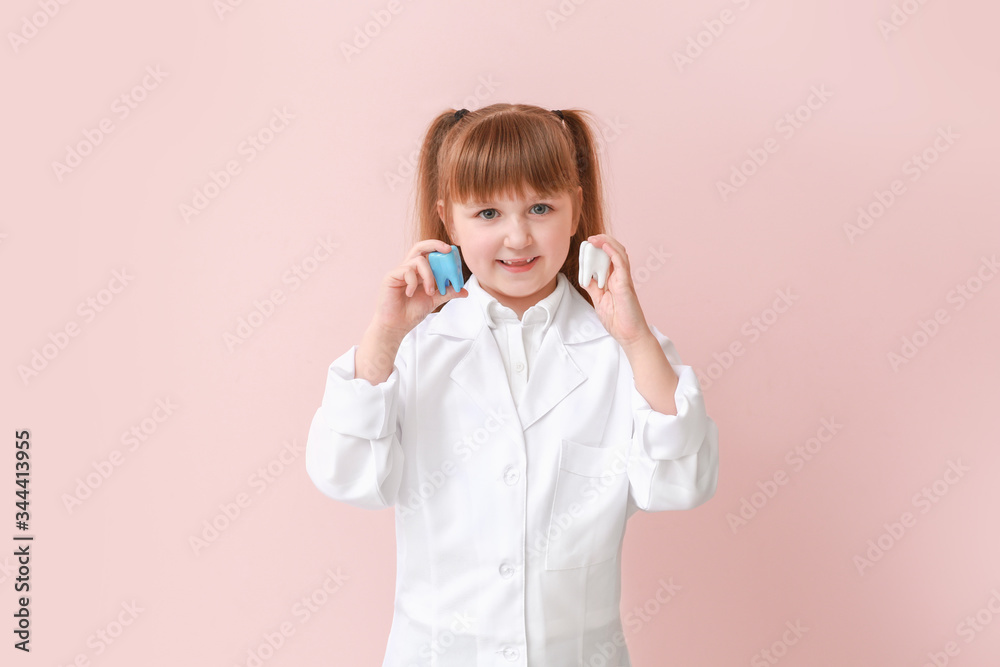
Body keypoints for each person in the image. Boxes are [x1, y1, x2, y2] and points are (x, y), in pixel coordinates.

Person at [305, 103, 719, 666]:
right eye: (488, 213)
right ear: (448, 219)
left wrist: (636, 337)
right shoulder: (413, 347)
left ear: (576, 212)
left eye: (541, 207)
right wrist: (383, 335)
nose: (518, 237)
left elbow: (681, 483)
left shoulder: (624, 351)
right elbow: (345, 476)